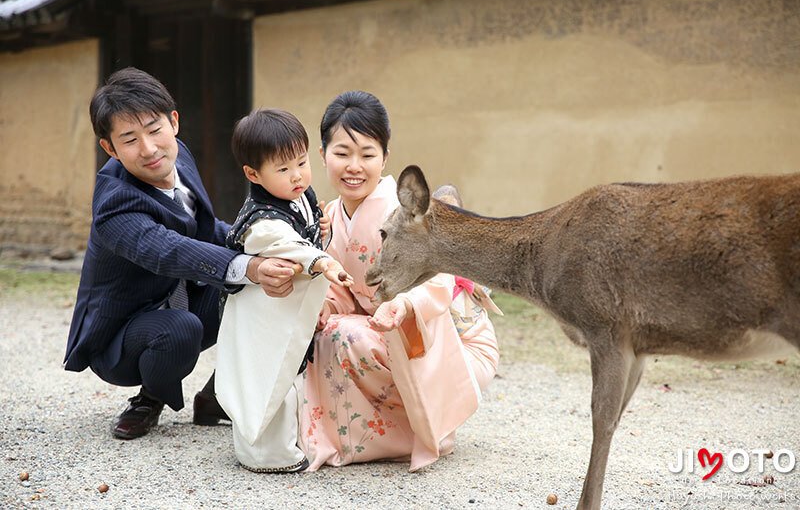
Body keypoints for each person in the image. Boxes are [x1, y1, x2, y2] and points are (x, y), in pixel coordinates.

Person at [64, 67, 299, 440]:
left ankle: (219, 396)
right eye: (129, 139)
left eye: (155, 129)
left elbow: (207, 231)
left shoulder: (177, 156)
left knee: (265, 292)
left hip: (178, 297)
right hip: (122, 335)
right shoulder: (114, 203)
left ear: (173, 122)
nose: (149, 148)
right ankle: (149, 399)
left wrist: (275, 246)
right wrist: (250, 266)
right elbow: (169, 250)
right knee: (182, 329)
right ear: (109, 148)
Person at [300, 90, 501, 471]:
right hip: (389, 333)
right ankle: (366, 436)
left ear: (385, 158)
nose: (354, 166)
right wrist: (322, 307)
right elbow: (343, 289)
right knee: (325, 328)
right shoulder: (330, 214)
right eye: (342, 153)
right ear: (323, 154)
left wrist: (405, 304)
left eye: (368, 154)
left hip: (450, 343)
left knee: (346, 334)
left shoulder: (402, 212)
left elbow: (440, 282)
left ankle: (421, 430)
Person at [215, 108, 353, 473]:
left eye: (302, 162)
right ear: (253, 174)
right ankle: (265, 455)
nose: (297, 176)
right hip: (262, 312)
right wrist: (324, 262)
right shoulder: (260, 219)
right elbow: (286, 244)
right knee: (268, 375)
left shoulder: (300, 194)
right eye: (283, 169)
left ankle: (294, 440)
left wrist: (321, 230)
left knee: (293, 373)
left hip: (288, 308)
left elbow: (307, 237)